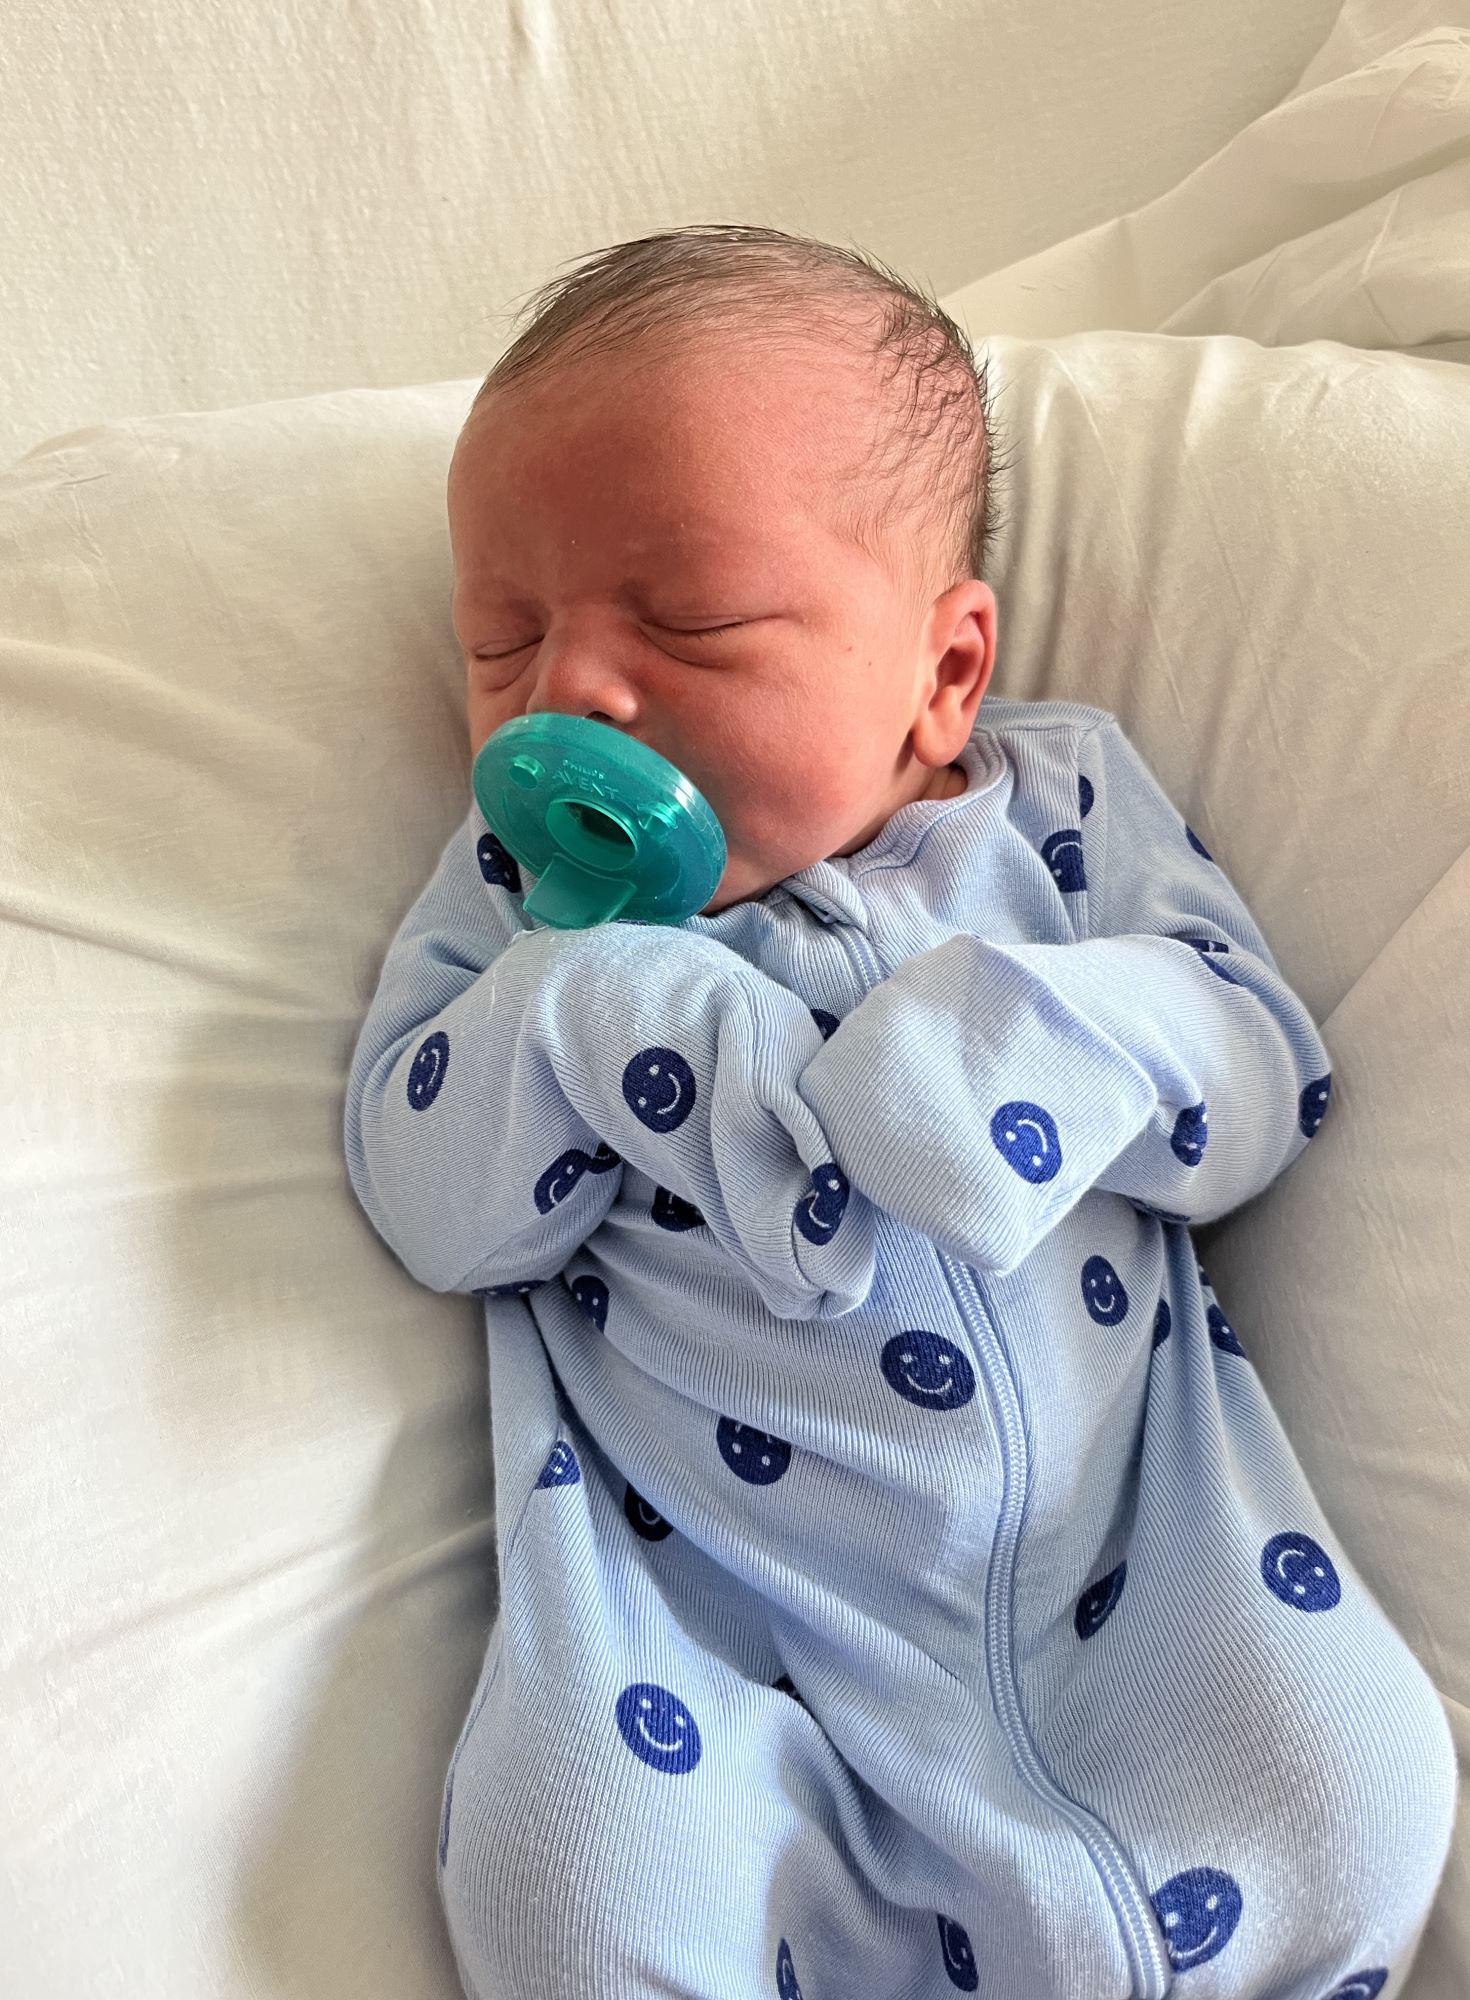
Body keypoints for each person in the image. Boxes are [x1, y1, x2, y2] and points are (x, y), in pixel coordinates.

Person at [343, 225, 1455, 2000]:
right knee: (572, 1885)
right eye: (502, 642)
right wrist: (586, 1001)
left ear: (942, 675)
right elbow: (425, 1198)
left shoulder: (1053, 813)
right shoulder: (514, 901)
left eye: (688, 624)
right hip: (722, 1643)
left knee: (1356, 1788)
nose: (568, 698)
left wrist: (1021, 1034)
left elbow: (1258, 1073)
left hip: (1140, 1577)